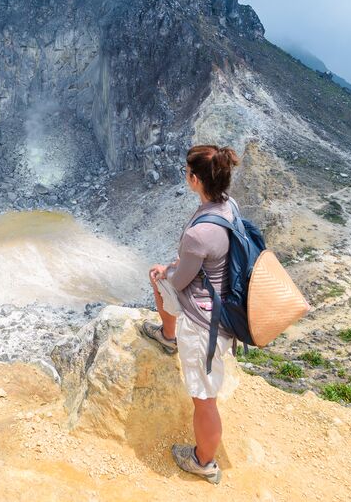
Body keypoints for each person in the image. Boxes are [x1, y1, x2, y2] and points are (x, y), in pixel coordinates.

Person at [140, 144, 241, 484]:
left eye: (187, 172)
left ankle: (203, 461)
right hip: (223, 302)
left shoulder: (200, 233)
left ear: (195, 179)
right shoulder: (228, 207)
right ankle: (167, 337)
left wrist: (166, 270)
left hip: (203, 323)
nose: (185, 176)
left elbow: (181, 279)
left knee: (203, 398)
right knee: (164, 273)